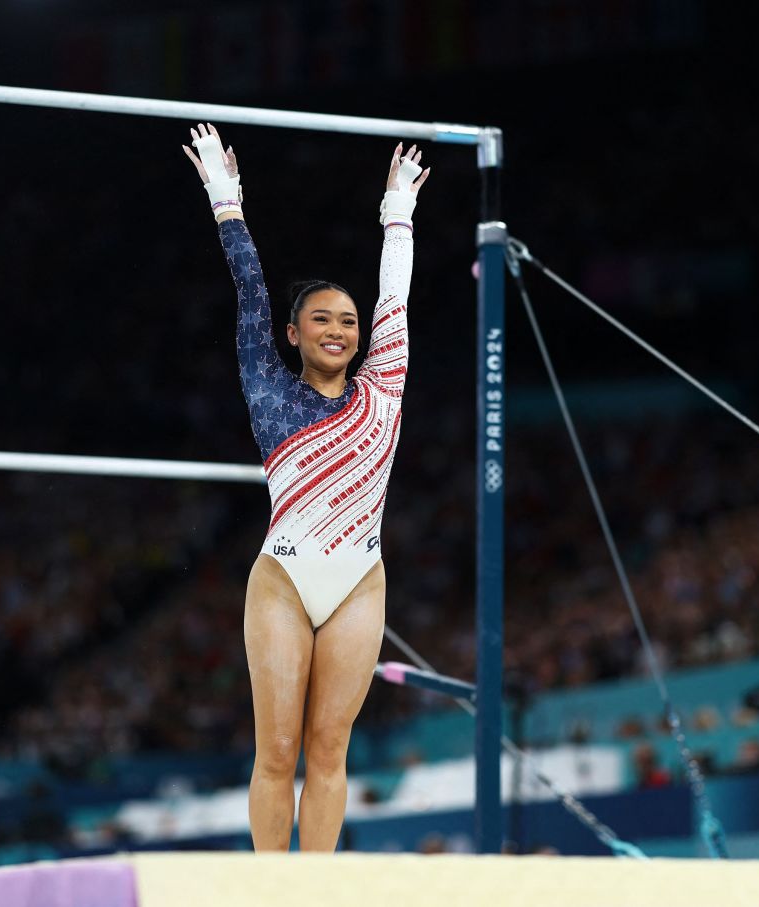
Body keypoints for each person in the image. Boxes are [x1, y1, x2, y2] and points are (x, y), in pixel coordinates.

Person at [182, 123, 429, 851]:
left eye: (349, 321)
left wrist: (398, 211)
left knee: (328, 751)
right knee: (278, 750)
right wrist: (226, 200)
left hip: (359, 577)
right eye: (321, 318)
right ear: (292, 333)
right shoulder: (269, 388)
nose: (339, 329)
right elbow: (250, 288)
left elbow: (396, 293)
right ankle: (273, 892)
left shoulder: (385, 382)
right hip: (284, 576)